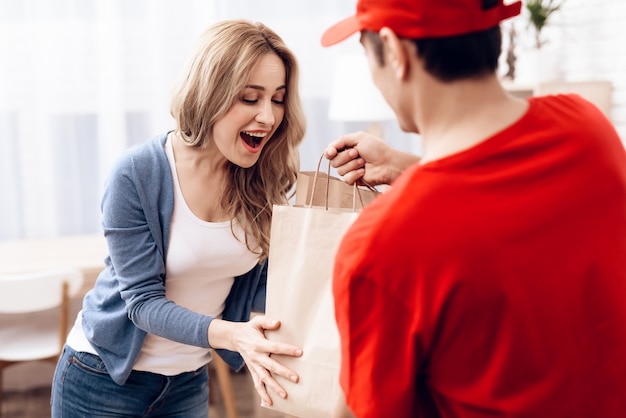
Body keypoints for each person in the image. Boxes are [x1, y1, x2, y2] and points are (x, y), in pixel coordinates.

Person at [321, 1, 626, 417]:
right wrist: (405, 168)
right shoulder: (590, 132)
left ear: (394, 52)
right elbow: (502, 194)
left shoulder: (383, 246)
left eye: (364, 49)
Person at [51, 19, 306, 417]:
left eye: (277, 99)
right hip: (101, 379)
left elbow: (256, 287)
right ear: (211, 94)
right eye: (250, 98)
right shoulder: (137, 174)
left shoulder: (261, 178)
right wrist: (234, 336)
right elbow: (142, 304)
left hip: (187, 381)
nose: (269, 117)